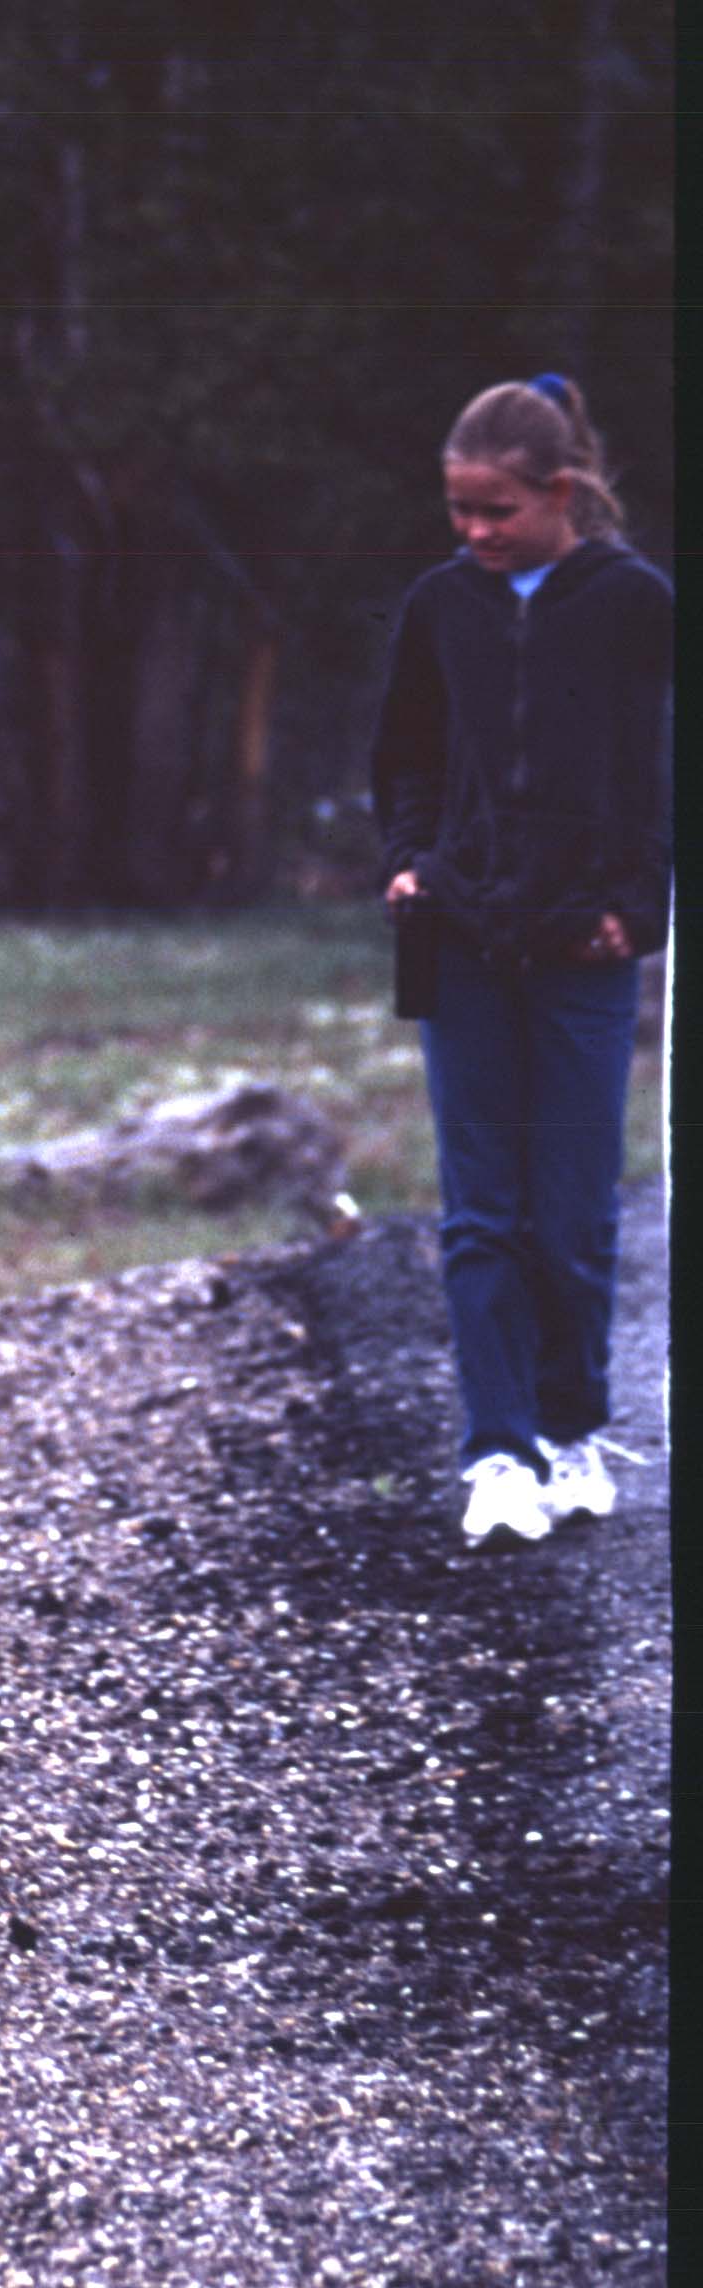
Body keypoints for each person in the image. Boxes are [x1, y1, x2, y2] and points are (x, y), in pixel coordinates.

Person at [371, 374, 671, 1547]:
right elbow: (400, 754)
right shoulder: (442, 603)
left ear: (558, 492)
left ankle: (569, 1432)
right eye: (458, 511)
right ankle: (495, 1453)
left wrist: (635, 908)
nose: (474, 534)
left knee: (572, 1208)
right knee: (477, 1211)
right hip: (459, 936)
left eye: (494, 511)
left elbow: (657, 767)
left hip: (582, 946)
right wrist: (406, 856)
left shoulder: (634, 602)